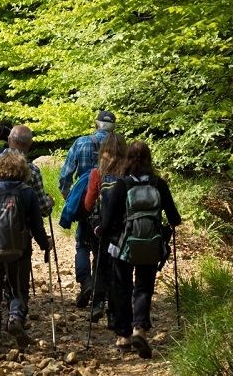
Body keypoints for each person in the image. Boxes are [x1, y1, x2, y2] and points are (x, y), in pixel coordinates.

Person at [100, 140, 181, 358]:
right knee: (144, 287)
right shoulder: (159, 184)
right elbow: (175, 218)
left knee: (121, 288)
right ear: (149, 159)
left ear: (127, 159)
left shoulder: (122, 185)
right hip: (151, 245)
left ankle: (124, 335)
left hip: (123, 245)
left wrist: (102, 231)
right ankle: (140, 329)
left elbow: (107, 223)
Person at [0, 152, 51, 356]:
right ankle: (15, 317)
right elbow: (36, 224)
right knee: (18, 290)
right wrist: (45, 244)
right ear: (23, 171)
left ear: (0, 169)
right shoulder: (27, 193)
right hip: (20, 250)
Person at [59, 109, 117, 306]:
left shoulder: (82, 142)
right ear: (113, 128)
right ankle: (105, 292)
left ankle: (86, 283)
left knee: (83, 245)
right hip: (112, 205)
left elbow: (65, 177)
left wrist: (72, 199)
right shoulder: (118, 145)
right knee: (106, 248)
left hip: (86, 203)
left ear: (96, 124)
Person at [83, 132, 127, 325]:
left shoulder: (97, 174)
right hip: (123, 229)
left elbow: (87, 204)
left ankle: (98, 303)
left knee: (100, 263)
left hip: (100, 228)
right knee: (118, 267)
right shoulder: (128, 174)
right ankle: (114, 312)